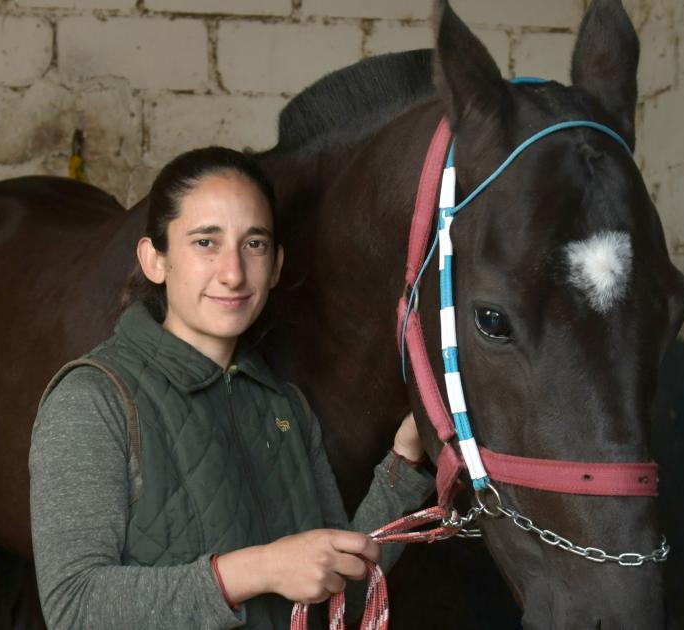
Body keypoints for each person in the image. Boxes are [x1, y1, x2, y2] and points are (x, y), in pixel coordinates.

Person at [29, 146, 434, 629]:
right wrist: (260, 569)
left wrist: (405, 459)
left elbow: (334, 587)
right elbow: (74, 608)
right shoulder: (93, 400)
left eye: (254, 244)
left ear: (277, 265)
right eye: (205, 242)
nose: (233, 273)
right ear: (154, 260)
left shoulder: (283, 404)